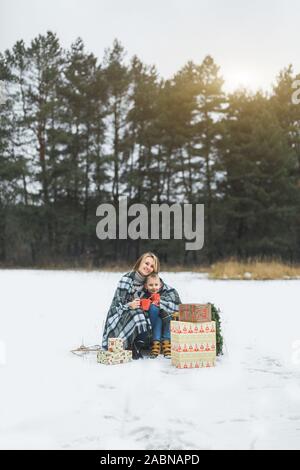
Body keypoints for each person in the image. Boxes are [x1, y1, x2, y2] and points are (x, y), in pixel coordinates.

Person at [102, 252, 181, 360]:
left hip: (147, 325)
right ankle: (131, 343)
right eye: (146, 263)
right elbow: (116, 306)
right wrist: (130, 305)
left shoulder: (151, 282)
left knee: (157, 310)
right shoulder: (126, 280)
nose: (148, 267)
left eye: (152, 266)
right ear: (140, 263)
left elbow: (170, 293)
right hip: (125, 318)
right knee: (137, 313)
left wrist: (159, 301)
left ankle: (154, 341)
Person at [140, 273, 173, 359]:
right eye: (151, 285)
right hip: (152, 321)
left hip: (166, 320)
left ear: (160, 285)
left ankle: (166, 342)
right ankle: (156, 344)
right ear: (146, 286)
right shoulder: (145, 295)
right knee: (158, 318)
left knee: (165, 315)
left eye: (156, 284)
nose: (154, 287)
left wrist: (161, 305)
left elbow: (171, 305)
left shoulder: (164, 294)